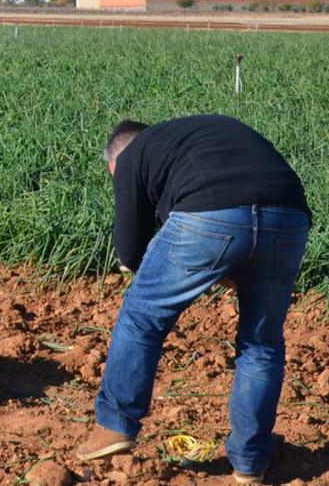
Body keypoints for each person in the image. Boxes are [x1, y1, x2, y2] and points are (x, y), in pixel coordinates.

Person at [77, 115, 310, 484]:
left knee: (141, 318)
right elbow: (244, 218)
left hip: (211, 212)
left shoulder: (130, 156)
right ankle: (249, 463)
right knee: (262, 343)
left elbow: (129, 254)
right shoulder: (189, 144)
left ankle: (115, 426)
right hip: (289, 215)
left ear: (113, 164)